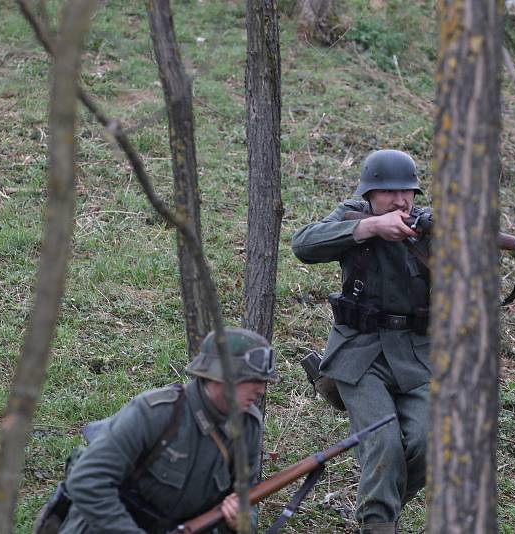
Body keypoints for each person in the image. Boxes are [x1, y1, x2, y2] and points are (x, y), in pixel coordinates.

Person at [291, 149, 431, 534]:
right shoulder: (353, 215)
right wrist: (369, 228)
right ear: (369, 194)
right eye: (388, 192)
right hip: (359, 355)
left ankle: (380, 510)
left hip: (417, 357)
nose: (400, 200)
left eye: (408, 192)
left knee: (428, 441)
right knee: (382, 443)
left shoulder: (428, 229)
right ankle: (378, 524)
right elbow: (303, 244)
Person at [57, 327, 279, 534]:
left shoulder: (248, 426)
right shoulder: (155, 412)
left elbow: (246, 500)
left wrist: (240, 520)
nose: (261, 390)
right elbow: (86, 480)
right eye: (253, 380)